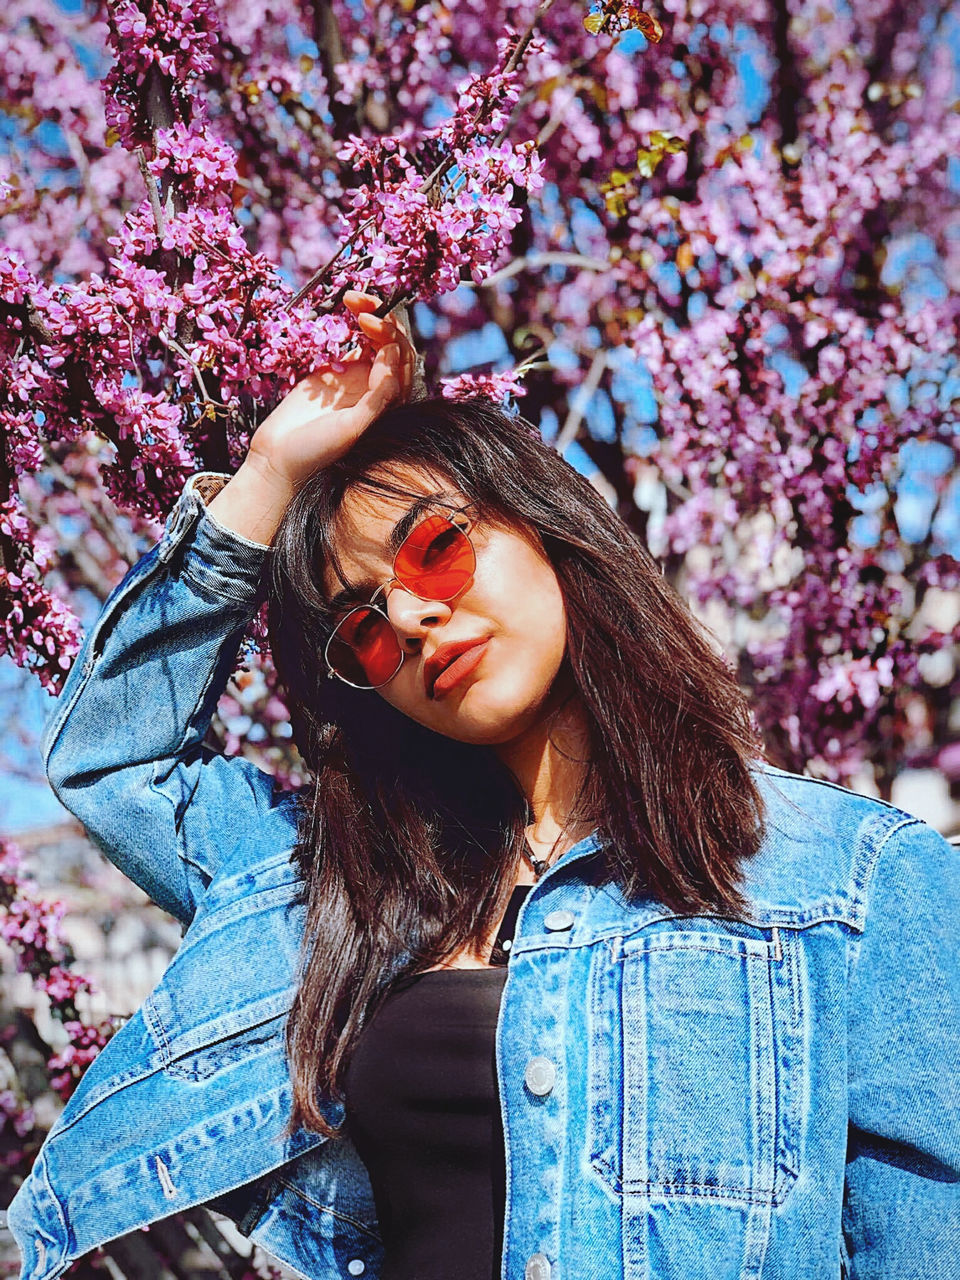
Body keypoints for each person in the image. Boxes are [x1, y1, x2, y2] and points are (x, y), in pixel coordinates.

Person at [6, 290, 959, 1280]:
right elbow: (115, 760)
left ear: (545, 526)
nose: (411, 618)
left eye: (436, 547)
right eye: (363, 626)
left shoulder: (853, 875)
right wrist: (271, 469)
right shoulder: (342, 884)